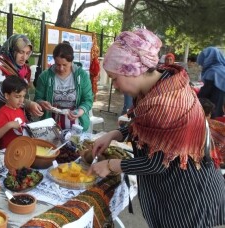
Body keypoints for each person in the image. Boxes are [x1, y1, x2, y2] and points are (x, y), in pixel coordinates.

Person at [87, 29, 225, 228]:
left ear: (132, 70)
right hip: (173, 192)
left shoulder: (168, 103)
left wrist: (111, 165)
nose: (115, 87)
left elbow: (158, 163)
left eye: (114, 79)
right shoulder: (156, 89)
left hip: (189, 198)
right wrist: (115, 133)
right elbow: (147, 129)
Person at [35, 41, 93, 131]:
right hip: (51, 123)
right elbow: (38, 98)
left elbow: (88, 100)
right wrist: (41, 103)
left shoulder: (82, 76)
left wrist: (80, 111)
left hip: (76, 123)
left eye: (65, 65)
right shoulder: (45, 76)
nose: (61, 68)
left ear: (71, 61)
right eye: (58, 64)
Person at [0, 34, 43, 117]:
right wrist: (28, 104)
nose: (24, 57)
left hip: (15, 115)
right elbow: (2, 95)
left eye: (27, 53)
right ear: (11, 50)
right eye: (21, 52)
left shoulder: (23, 69)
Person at [0, 75, 28, 149]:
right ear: (7, 96)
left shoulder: (20, 110)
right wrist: (8, 125)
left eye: (23, 96)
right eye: (17, 97)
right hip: (7, 152)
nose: (21, 100)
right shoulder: (2, 113)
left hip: (20, 148)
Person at [197, 46, 225, 118]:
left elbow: (205, 92)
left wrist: (193, 97)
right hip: (221, 107)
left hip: (212, 108)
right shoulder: (222, 69)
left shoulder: (213, 72)